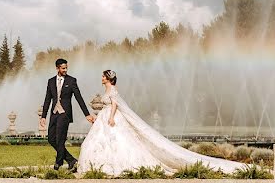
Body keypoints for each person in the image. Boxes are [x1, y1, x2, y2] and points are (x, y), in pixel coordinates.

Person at [77, 69, 242, 176]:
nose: (101, 78)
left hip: (111, 118)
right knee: (104, 143)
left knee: (118, 142)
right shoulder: (108, 90)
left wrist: (111, 117)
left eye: (103, 76)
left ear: (108, 79)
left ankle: (111, 166)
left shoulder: (112, 90)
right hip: (104, 119)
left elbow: (114, 104)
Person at [40, 58, 95, 171]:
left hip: (65, 114)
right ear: (57, 68)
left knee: (60, 139)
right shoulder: (50, 81)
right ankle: (71, 160)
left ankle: (58, 163)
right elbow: (47, 99)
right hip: (54, 113)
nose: (65, 70)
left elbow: (79, 98)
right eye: (63, 68)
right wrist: (43, 116)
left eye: (66, 68)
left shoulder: (71, 81)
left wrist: (87, 114)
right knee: (51, 139)